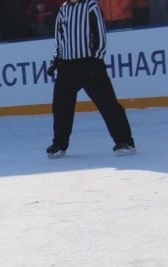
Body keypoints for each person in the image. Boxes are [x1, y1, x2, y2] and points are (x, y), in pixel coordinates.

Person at [46, 0, 135, 158]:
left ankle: (125, 141)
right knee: (60, 105)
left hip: (90, 63)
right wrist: (56, 60)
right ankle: (59, 144)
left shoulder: (90, 5)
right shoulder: (63, 9)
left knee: (108, 103)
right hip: (67, 66)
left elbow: (100, 34)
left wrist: (96, 60)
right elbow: (59, 38)